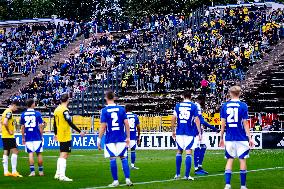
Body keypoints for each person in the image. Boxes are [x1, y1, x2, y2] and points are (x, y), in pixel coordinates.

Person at [219, 86, 254, 189]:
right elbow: (246, 123)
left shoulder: (225, 105)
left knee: (229, 159)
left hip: (229, 137)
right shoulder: (243, 105)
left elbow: (223, 123)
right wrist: (250, 137)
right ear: (240, 93)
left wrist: (221, 137)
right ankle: (243, 186)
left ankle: (227, 184)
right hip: (241, 137)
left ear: (230, 93)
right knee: (242, 160)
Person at [97, 91, 133, 187]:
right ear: (114, 98)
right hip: (121, 137)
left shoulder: (104, 111)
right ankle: (128, 179)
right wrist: (128, 137)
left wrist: (99, 139)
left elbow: (103, 126)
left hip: (110, 138)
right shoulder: (121, 109)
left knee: (112, 159)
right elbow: (127, 124)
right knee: (123, 158)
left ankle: (116, 181)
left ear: (106, 98)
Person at [53, 93, 85, 181]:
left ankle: (58, 173)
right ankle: (62, 176)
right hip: (65, 134)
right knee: (64, 154)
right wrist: (79, 131)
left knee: (62, 154)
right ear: (67, 100)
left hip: (60, 133)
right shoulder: (65, 110)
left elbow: (54, 124)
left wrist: (55, 134)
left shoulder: (57, 109)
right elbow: (69, 122)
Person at [171, 90, 202, 180]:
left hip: (179, 131)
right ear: (191, 96)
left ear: (183, 96)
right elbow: (197, 119)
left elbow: (173, 118)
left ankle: (177, 174)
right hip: (189, 132)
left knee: (179, 151)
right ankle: (187, 175)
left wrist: (173, 130)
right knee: (188, 152)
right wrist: (199, 132)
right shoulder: (194, 106)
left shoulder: (178, 106)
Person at [194, 95, 219, 175]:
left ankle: (199, 167)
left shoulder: (196, 106)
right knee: (198, 148)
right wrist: (214, 128)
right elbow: (202, 121)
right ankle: (196, 168)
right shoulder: (197, 106)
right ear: (201, 100)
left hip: (198, 130)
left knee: (203, 147)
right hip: (196, 130)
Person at [20, 99, 44, 176]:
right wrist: (41, 135)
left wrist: (23, 137)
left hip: (28, 137)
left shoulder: (23, 114)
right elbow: (40, 126)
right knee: (39, 154)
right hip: (37, 136)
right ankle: (41, 172)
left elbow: (22, 127)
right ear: (32, 104)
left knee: (30, 154)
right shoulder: (37, 113)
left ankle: (32, 172)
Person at [1, 100, 23, 177]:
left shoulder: (5, 111)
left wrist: (3, 130)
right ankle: (14, 171)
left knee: (6, 152)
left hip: (4, 135)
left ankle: (6, 171)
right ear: (14, 105)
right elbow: (5, 122)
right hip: (9, 136)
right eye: (17, 107)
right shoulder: (9, 112)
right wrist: (9, 130)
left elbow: (1, 122)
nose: (17, 109)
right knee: (15, 151)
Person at [125, 104, 141, 170]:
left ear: (125, 109)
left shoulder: (124, 116)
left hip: (125, 136)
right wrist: (138, 137)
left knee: (125, 152)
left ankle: (125, 166)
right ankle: (132, 165)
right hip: (132, 136)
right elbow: (138, 127)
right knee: (133, 151)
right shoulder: (135, 116)